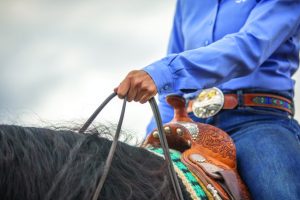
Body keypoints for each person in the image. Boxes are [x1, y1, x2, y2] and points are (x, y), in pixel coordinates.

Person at [115, 0, 300, 199]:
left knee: (280, 192)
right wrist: (154, 135)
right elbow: (170, 94)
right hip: (188, 125)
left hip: (257, 121)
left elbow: (249, 46)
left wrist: (165, 71)